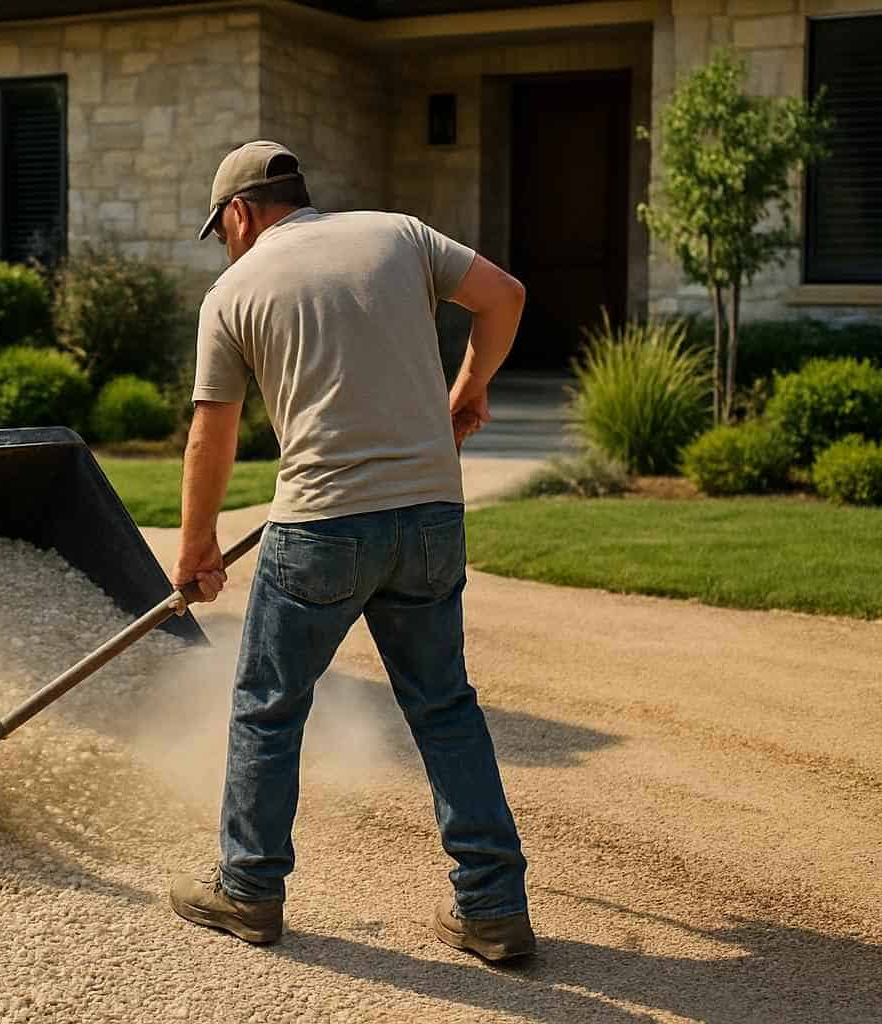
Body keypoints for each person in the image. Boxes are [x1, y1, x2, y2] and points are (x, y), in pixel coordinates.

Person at [166, 140, 534, 962]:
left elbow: (211, 433)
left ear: (238, 213)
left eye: (221, 229)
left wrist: (197, 547)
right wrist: (468, 390)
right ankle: (494, 907)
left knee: (268, 704)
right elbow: (504, 296)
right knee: (445, 707)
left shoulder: (234, 290)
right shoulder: (399, 234)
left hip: (322, 529)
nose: (225, 243)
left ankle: (249, 890)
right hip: (431, 516)